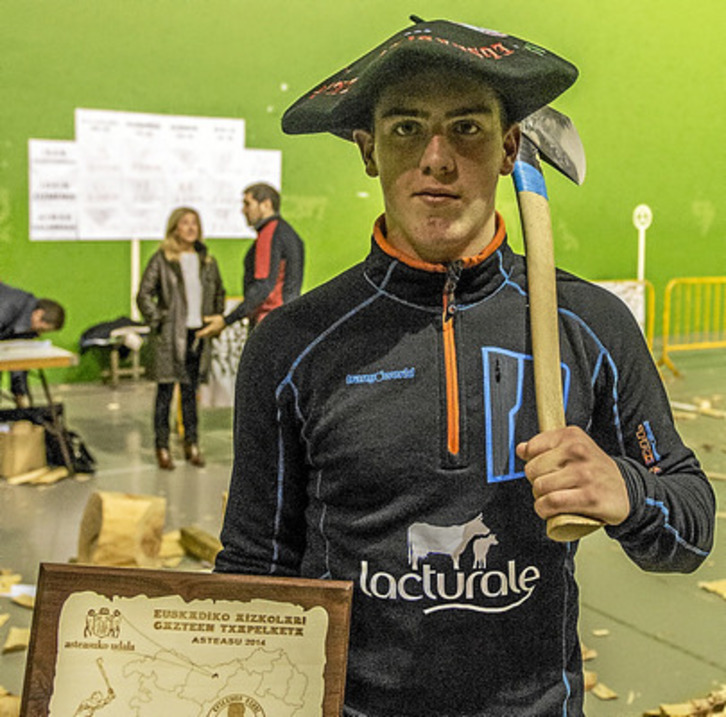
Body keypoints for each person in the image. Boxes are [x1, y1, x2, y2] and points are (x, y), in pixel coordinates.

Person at [214, 17, 715, 716]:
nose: (437, 158)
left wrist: (626, 488)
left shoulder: (589, 324)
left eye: (467, 128)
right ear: (368, 149)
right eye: (406, 128)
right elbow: (254, 570)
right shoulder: (295, 345)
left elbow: (691, 529)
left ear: (510, 146)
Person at [136, 207, 225, 470]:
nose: (191, 228)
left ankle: (192, 443)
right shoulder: (162, 259)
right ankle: (162, 446)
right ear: (175, 227)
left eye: (194, 223)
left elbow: (219, 292)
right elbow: (144, 295)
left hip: (198, 336)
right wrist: (160, 319)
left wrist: (215, 317)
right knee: (165, 393)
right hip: (169, 336)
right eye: (185, 223)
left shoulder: (207, 260)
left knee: (190, 393)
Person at [196, 183, 304, 338]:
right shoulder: (287, 233)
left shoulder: (269, 234)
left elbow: (263, 287)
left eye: (247, 204)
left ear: (266, 205)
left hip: (269, 323)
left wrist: (227, 320)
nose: (243, 210)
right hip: (286, 322)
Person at [0, 281, 65, 406]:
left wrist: (20, 395)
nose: (39, 333)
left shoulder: (26, 318)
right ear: (38, 314)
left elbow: (18, 361)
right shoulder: (10, 306)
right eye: (41, 329)